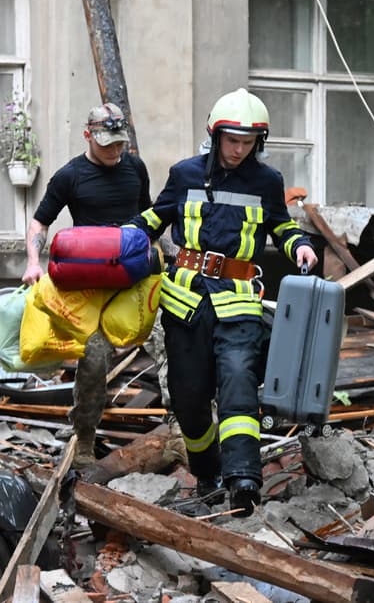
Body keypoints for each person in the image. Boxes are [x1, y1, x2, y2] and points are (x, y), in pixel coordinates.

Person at [125, 88, 317, 517]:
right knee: (190, 399)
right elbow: (156, 219)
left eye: (248, 143)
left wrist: (300, 245)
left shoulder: (267, 182)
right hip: (186, 301)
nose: (238, 149)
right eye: (232, 140)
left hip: (238, 304)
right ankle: (208, 473)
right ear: (216, 135)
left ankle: (244, 479)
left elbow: (281, 226)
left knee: (237, 385)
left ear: (258, 143)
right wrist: (121, 240)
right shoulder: (185, 174)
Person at [22, 102, 151, 468]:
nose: (115, 151)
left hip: (136, 280)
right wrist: (34, 263)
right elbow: (40, 223)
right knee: (94, 359)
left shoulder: (136, 169)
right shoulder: (70, 176)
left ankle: (181, 431)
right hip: (92, 285)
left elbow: (150, 215)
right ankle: (84, 440)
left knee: (175, 342)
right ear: (88, 135)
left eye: (120, 143)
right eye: (108, 143)